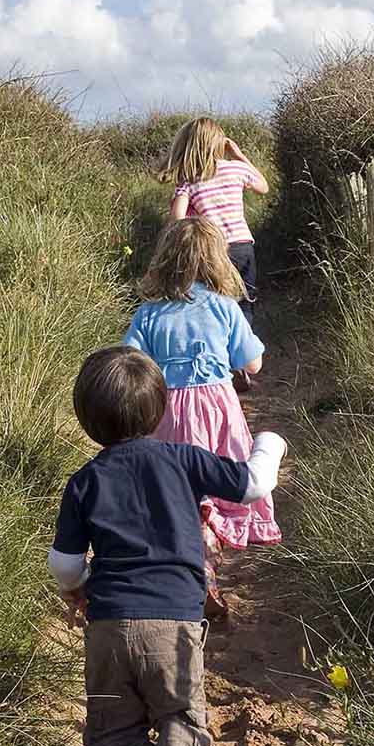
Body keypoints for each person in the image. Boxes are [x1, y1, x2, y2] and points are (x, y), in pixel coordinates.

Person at [49, 345, 286, 746]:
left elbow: (64, 567)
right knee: (180, 717)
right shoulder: (182, 459)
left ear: (87, 420)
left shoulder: (85, 481)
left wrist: (84, 583)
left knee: (116, 727)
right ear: (159, 410)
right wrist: (268, 442)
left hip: (107, 626)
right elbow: (252, 485)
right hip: (174, 626)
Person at [122, 217, 281, 619]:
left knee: (177, 495)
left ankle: (185, 570)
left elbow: (132, 364)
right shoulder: (225, 308)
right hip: (216, 412)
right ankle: (207, 567)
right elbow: (254, 363)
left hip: (164, 412)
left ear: (165, 261)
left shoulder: (149, 313)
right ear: (217, 262)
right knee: (217, 492)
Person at [163, 119, 269, 387]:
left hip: (211, 251)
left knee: (214, 304)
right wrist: (240, 156)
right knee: (244, 303)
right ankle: (242, 360)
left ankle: (220, 359)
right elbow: (263, 186)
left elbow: (177, 220)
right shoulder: (235, 170)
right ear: (219, 145)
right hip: (243, 247)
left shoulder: (189, 181)